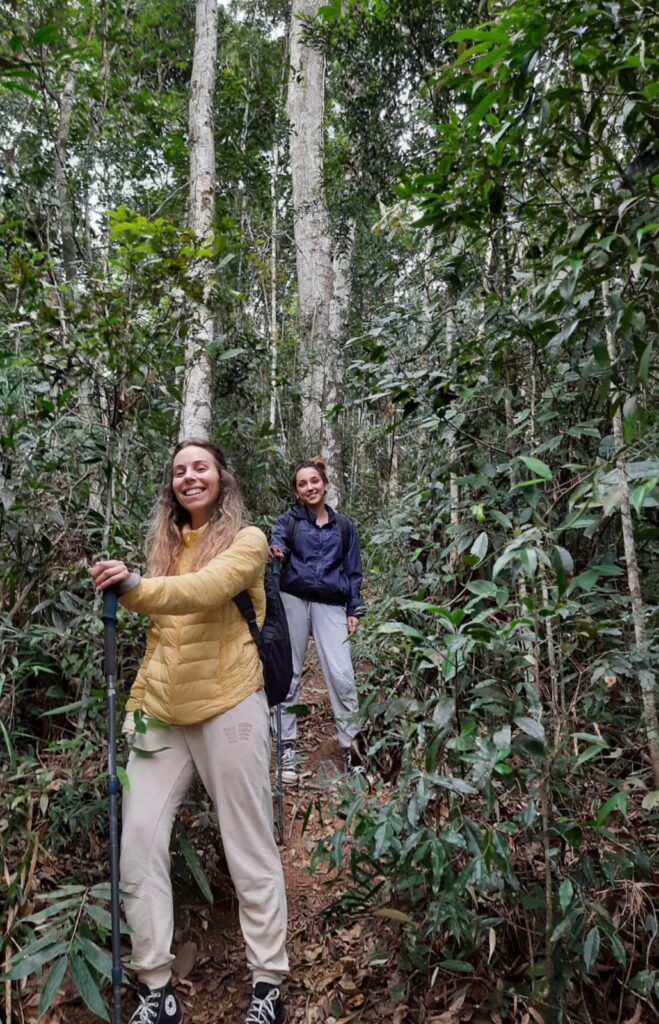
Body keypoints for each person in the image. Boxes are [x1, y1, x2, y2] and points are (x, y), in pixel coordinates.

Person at [90, 440, 288, 1024]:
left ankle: (268, 982)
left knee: (248, 846)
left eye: (200, 467)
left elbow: (199, 593)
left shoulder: (248, 542)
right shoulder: (167, 547)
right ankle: (157, 986)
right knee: (138, 850)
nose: (189, 477)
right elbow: (159, 643)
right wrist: (133, 710)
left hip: (230, 705)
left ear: (222, 478)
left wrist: (134, 589)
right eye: (179, 470)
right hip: (160, 716)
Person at [269, 457, 364, 784]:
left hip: (331, 603)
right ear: (297, 492)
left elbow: (353, 571)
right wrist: (277, 550)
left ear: (324, 484)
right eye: (302, 484)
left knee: (342, 675)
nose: (309, 487)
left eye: (314, 481)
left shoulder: (344, 527)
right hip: (293, 598)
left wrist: (354, 609)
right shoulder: (289, 521)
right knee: (289, 673)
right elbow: (277, 540)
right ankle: (286, 746)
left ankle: (352, 747)